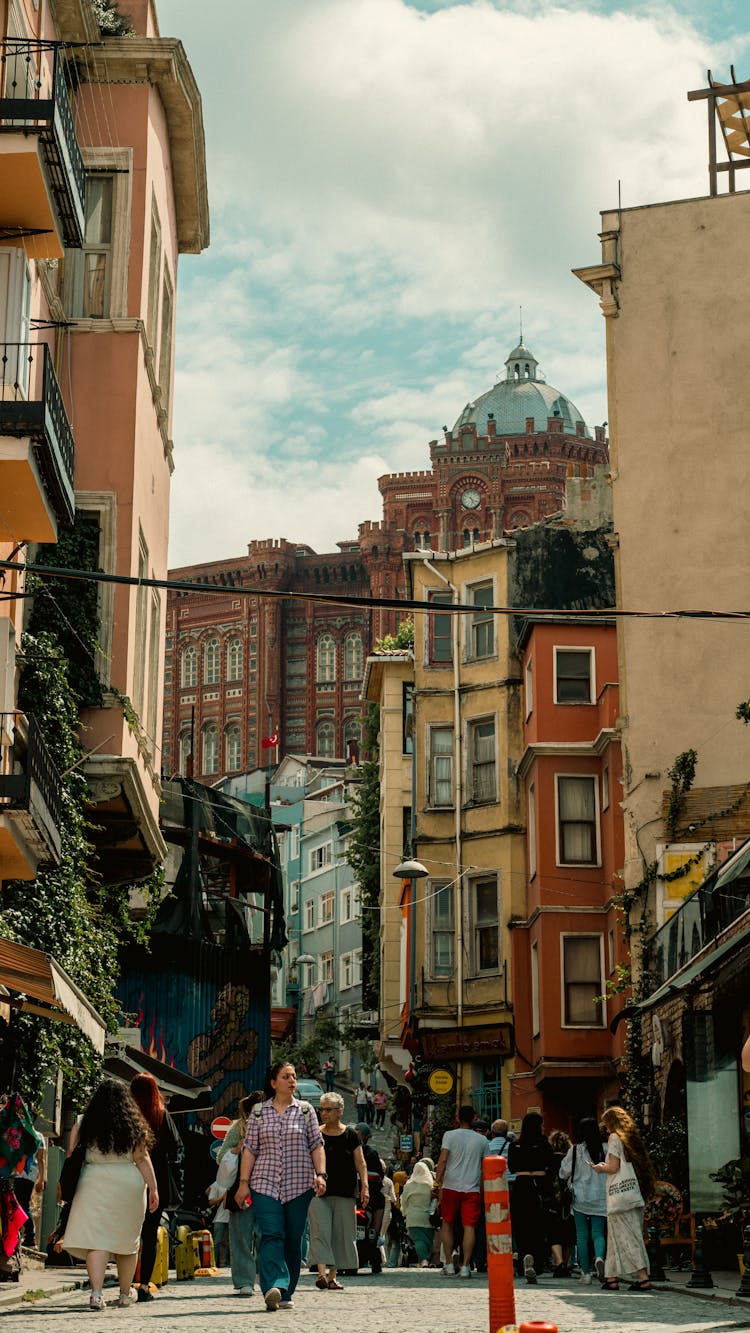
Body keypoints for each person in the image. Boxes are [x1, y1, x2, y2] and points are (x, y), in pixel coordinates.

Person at [235, 1062, 326, 1312]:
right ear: (274, 1082)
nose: (292, 1080)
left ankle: (286, 1292)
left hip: (299, 1185)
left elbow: (316, 1145)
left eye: (294, 1076)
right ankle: (273, 1286)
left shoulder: (306, 1111)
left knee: (293, 1240)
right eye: (286, 1076)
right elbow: (250, 1149)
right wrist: (243, 1184)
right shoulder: (257, 1113)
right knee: (272, 1234)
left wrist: (321, 1174)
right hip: (264, 1185)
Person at [62, 1078, 159, 1311]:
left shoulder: (84, 1123)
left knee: (97, 1239)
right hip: (128, 1184)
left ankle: (96, 1294)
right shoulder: (134, 1125)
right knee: (127, 1242)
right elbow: (142, 1159)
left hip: (93, 1182)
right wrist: (153, 1188)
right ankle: (125, 1294)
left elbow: (71, 1155)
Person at [129, 1073, 184, 1302]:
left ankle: (128, 1281)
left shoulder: (128, 1116)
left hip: (129, 1179)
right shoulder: (161, 1115)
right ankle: (143, 1286)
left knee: (129, 1233)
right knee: (149, 1235)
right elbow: (177, 1147)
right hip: (155, 1183)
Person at [592, 1105, 656, 1292]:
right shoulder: (629, 1139)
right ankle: (611, 1278)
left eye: (606, 1123)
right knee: (615, 1237)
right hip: (632, 1194)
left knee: (627, 1237)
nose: (605, 1128)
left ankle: (643, 1279)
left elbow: (613, 1167)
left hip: (619, 1197)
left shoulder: (614, 1138)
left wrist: (600, 1167)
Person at [308, 1090, 368, 1290]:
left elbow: (360, 1163)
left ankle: (333, 1277)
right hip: (318, 1191)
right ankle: (321, 1274)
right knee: (320, 1231)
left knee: (341, 1234)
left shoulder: (351, 1135)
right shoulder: (315, 1132)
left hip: (344, 1191)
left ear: (340, 1111)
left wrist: (365, 1187)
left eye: (328, 1109)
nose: (324, 1113)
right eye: (321, 1109)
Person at [434, 1104, 489, 1278]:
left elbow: (443, 1161)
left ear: (458, 1118)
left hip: (451, 1186)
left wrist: (437, 1183)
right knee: (469, 1227)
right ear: (475, 1118)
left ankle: (449, 1263)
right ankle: (466, 1266)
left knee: (447, 1224)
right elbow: (485, 1169)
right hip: (471, 1189)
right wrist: (482, 1191)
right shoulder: (482, 1141)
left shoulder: (449, 1136)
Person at [218, 1092, 264, 1296]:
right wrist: (237, 1149)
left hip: (266, 1189)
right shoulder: (238, 1128)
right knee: (241, 1235)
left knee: (266, 1235)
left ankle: (265, 1276)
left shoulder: (276, 1124)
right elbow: (221, 1156)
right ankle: (245, 1280)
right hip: (241, 1191)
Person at [559, 1116, 608, 1285]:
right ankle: (600, 1257)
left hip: (580, 1197)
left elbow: (563, 1173)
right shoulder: (605, 1150)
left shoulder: (575, 1151)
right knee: (598, 1233)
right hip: (601, 1196)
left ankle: (585, 1273)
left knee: (581, 1235)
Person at [508, 1111, 554, 1284]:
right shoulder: (544, 1144)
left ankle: (524, 1256)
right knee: (539, 1225)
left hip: (521, 1184)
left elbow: (512, 1167)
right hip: (540, 1184)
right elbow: (550, 1164)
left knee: (522, 1224)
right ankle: (536, 1260)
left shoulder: (515, 1145)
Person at [355, 1123, 386, 1273]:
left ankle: (374, 1233)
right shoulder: (372, 1153)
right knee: (379, 1209)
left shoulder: (348, 1152)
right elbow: (381, 1176)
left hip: (356, 1198)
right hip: (370, 1198)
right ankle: (375, 1233)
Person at [13, 1122, 45, 1248]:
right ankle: (27, 1236)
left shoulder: (20, 1134)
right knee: (23, 1203)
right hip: (31, 1174)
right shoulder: (39, 1136)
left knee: (21, 1205)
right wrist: (41, 1178)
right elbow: (41, 1159)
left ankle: (29, 1237)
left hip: (19, 1173)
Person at [400, 1158, 435, 1267]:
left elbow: (404, 1202)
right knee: (428, 1241)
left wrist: (405, 1213)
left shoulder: (409, 1186)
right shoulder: (430, 1185)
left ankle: (424, 1260)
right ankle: (427, 1260)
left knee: (419, 1240)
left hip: (413, 1217)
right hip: (428, 1217)